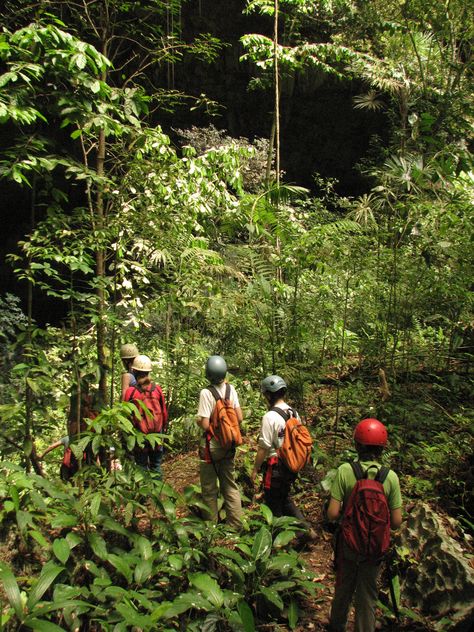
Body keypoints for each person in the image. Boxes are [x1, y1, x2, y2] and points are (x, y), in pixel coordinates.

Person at [326, 418, 403, 632]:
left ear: (356, 445)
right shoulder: (391, 478)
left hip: (349, 545)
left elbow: (332, 514)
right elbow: (396, 522)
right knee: (367, 596)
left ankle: (337, 626)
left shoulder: (345, 471)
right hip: (375, 548)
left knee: (343, 590)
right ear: (383, 448)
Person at [251, 375, 316, 542]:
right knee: (284, 497)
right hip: (291, 466)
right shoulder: (293, 412)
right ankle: (305, 529)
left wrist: (255, 469)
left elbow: (263, 447)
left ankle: (280, 541)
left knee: (274, 503)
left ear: (268, 395)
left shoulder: (269, 417)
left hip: (276, 467)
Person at [196, 355, 243, 530]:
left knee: (209, 489)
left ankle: (211, 529)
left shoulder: (206, 393)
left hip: (212, 448)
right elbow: (239, 417)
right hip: (229, 445)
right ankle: (235, 526)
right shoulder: (231, 390)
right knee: (230, 486)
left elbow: (206, 424)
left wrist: (198, 421)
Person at [123, 354, 168, 476]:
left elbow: (126, 416)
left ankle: (143, 494)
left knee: (141, 466)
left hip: (139, 436)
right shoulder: (157, 390)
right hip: (157, 435)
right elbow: (164, 413)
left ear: (135, 371)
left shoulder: (131, 392)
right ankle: (157, 493)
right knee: (156, 466)